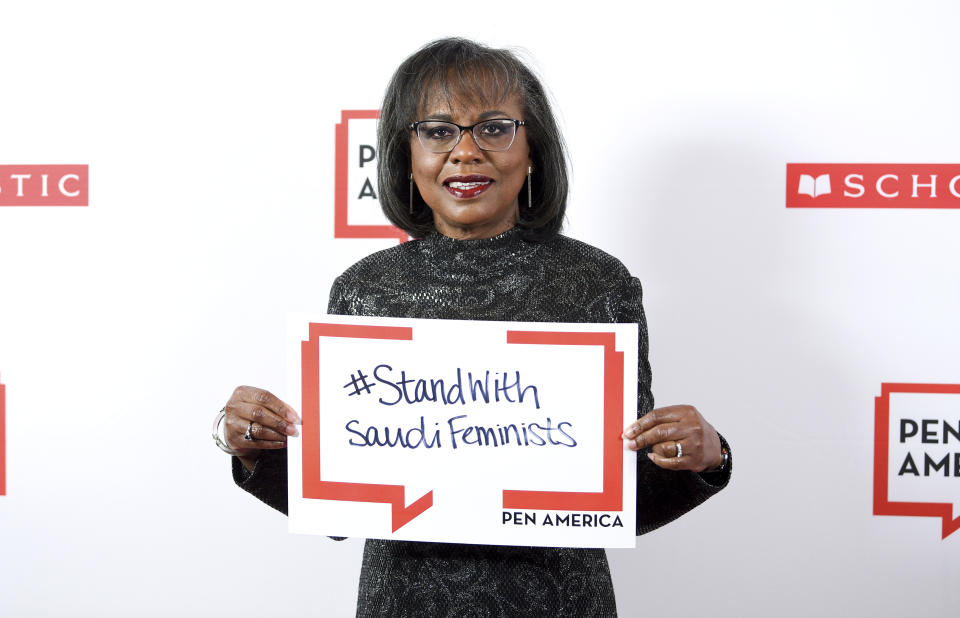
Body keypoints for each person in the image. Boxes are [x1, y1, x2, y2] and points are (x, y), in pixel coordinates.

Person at [214, 37, 731, 617]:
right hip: (403, 603)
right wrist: (259, 451)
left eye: (494, 128)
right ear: (403, 155)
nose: (465, 152)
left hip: (560, 602)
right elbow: (343, 506)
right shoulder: (365, 289)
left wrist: (705, 458)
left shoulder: (598, 284)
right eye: (437, 130)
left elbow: (623, 499)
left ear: (533, 148)